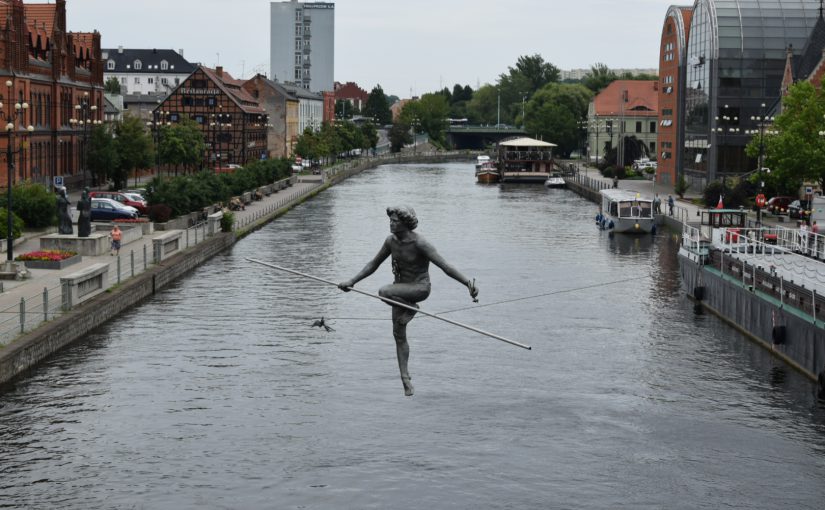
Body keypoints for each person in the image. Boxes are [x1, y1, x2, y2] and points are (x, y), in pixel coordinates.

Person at [338, 206, 479, 396]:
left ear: (405, 224)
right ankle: (405, 379)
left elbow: (445, 266)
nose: (391, 223)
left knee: (383, 291)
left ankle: (412, 308)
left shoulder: (420, 243)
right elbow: (373, 264)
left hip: (419, 289)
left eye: (395, 221)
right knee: (398, 334)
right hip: (400, 290)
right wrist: (352, 281)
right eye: (390, 220)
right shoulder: (390, 241)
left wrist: (467, 283)